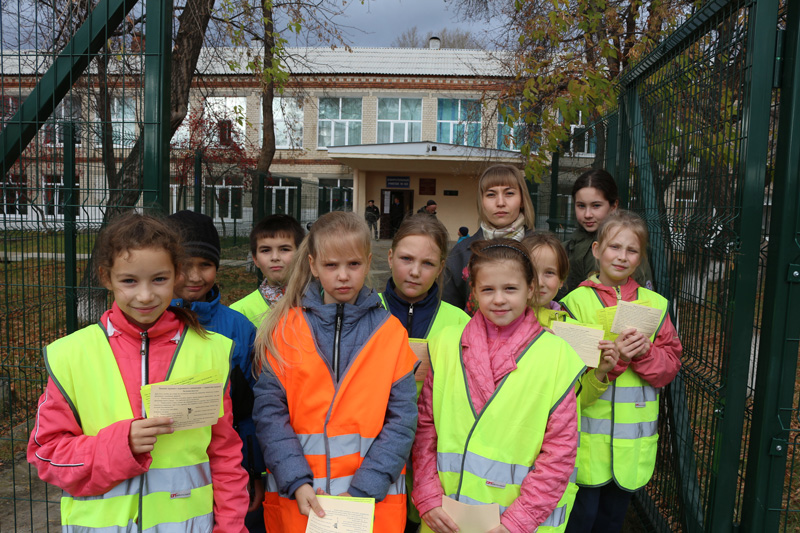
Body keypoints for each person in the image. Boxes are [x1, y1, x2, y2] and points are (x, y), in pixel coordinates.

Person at [27, 212, 248, 531]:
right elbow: (47, 455)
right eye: (129, 281)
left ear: (176, 277)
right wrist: (119, 444)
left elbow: (224, 455)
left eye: (159, 279)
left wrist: (230, 528)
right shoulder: (72, 355)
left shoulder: (210, 353)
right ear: (106, 277)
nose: (145, 296)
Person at [252, 211, 418, 533]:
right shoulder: (284, 331)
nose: (343, 276)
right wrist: (296, 480)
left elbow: (403, 421)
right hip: (300, 501)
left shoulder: (390, 333)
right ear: (313, 266)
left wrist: (362, 492)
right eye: (331, 266)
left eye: (353, 264)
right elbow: (269, 414)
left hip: (369, 506)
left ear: (368, 263)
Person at [413, 239, 585, 533]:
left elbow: (560, 451)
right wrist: (427, 496)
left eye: (510, 289)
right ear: (474, 292)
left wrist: (517, 522)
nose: (499, 299)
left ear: (530, 289)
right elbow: (425, 427)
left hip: (518, 523)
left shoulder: (558, 356)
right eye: (488, 289)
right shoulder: (446, 344)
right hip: (446, 517)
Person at [560, 210, 682, 533]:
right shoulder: (574, 303)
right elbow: (568, 385)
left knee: (611, 523)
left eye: (631, 250)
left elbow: (669, 368)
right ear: (597, 250)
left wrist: (645, 353)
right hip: (584, 448)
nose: (622, 256)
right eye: (614, 247)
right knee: (579, 522)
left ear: (640, 257)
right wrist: (612, 365)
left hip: (631, 450)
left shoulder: (655, 305)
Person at [166, 210, 263, 531]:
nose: (195, 276)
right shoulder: (150, 325)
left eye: (205, 265)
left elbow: (252, 408)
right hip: (167, 467)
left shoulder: (237, 327)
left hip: (226, 467)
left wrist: (254, 470)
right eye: (184, 266)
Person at [380, 213, 470, 532]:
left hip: (433, 456)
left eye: (428, 263)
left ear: (442, 267)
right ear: (390, 258)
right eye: (406, 259)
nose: (415, 271)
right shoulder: (367, 313)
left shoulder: (460, 323)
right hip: (374, 453)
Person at [442, 164, 536, 314]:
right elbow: (449, 312)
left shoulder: (541, 249)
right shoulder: (460, 253)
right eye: (491, 195)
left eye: (509, 193)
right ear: (482, 201)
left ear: (522, 200)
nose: (500, 203)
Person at [563, 169, 653, 295]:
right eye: (581, 206)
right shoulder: (566, 248)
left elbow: (642, 296)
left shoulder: (628, 249)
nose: (587, 214)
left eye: (596, 206)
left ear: (614, 206)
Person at [231, 214, 305, 328]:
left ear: (301, 254)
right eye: (266, 250)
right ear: (255, 259)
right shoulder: (238, 312)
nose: (275, 257)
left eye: (284, 249)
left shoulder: (318, 305)